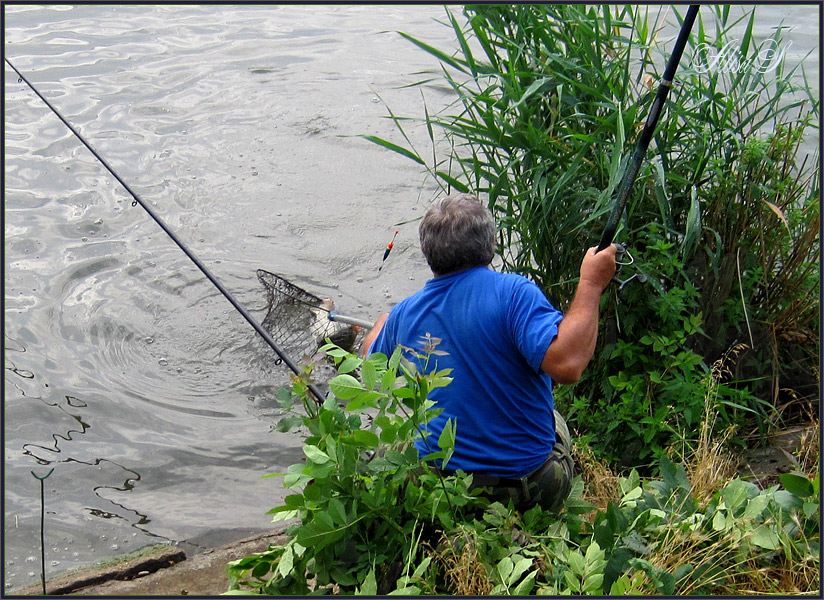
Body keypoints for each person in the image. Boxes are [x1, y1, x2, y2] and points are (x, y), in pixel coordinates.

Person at [363, 193, 617, 513]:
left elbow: (370, 364)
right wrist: (592, 283)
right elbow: (567, 364)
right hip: (529, 492)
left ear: (428, 252)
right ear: (489, 244)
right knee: (556, 421)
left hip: (443, 492)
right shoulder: (513, 294)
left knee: (391, 449)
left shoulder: (404, 314)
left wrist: (381, 325)